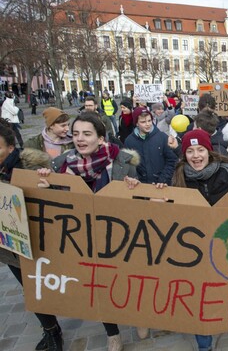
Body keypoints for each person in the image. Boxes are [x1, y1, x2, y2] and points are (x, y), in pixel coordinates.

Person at [38, 112, 141, 351]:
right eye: (75, 134)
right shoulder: (60, 164)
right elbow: (56, 208)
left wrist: (134, 189)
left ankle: (138, 317)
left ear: (101, 138)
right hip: (84, 240)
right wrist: (45, 188)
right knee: (100, 284)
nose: (80, 139)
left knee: (130, 280)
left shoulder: (123, 160)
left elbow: (139, 200)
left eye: (87, 134)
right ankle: (112, 332)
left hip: (120, 237)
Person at [170, 128, 228, 351]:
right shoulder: (179, 176)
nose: (196, 156)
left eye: (200, 149)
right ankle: (204, 343)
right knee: (198, 296)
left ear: (209, 151)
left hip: (225, 245)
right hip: (194, 251)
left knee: (220, 289)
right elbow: (170, 213)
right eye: (190, 151)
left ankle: (222, 316)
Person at [0, 121, 63, 351]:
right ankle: (51, 330)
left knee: (40, 284)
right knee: (29, 288)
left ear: (10, 148)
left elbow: (57, 199)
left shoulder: (31, 167)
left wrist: (47, 184)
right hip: (9, 244)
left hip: (38, 238)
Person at [124, 107, 177, 185]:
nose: (148, 124)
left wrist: (163, 180)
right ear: (136, 123)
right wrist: (135, 179)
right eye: (143, 122)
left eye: (149, 120)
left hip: (161, 185)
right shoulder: (129, 141)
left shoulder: (163, 137)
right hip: (139, 186)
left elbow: (171, 160)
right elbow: (127, 165)